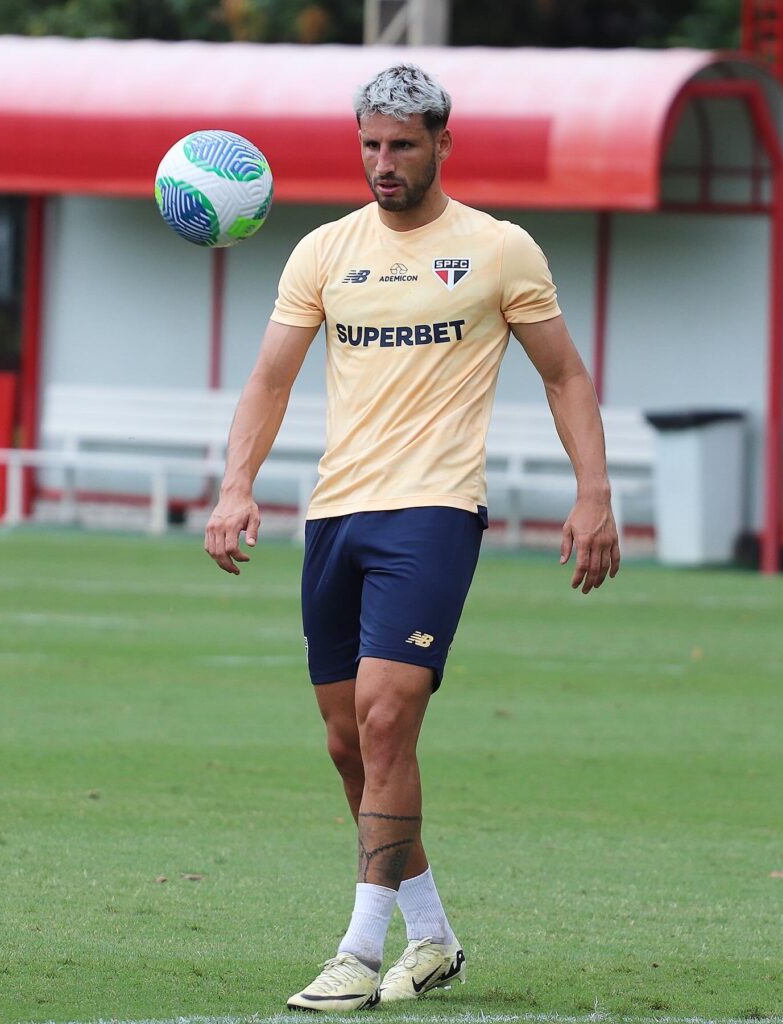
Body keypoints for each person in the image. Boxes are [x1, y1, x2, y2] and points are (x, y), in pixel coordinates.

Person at [205, 63, 620, 1012]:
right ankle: (430, 935)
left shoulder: (499, 250)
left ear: (441, 143)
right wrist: (235, 487)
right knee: (349, 744)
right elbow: (270, 379)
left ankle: (356, 949)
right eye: (369, 145)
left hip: (432, 514)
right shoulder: (322, 250)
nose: (381, 163)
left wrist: (591, 495)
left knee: (390, 720)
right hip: (335, 515)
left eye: (399, 145)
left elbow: (564, 376)